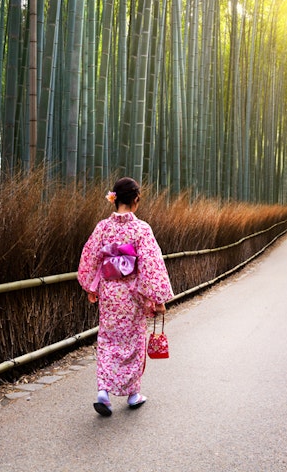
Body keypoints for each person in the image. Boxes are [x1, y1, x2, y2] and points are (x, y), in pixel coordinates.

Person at [77, 177, 174, 416]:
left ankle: (103, 391)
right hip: (132, 293)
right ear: (136, 200)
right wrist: (158, 298)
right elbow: (151, 265)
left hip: (110, 293)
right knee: (132, 341)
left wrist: (91, 286)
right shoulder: (141, 229)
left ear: (115, 199)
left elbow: (90, 258)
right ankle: (133, 394)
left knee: (108, 339)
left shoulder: (103, 227)